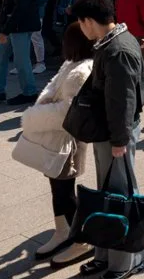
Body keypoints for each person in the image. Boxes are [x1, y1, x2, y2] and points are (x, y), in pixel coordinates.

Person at [66, 0, 144, 279]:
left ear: (90, 21)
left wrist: (119, 140)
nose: (81, 28)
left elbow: (122, 101)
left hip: (117, 133)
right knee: (108, 193)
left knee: (120, 195)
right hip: (111, 130)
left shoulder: (118, 50)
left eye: (81, 22)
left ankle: (125, 261)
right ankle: (104, 254)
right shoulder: (113, 42)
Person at [13, 21, 95, 264]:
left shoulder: (81, 70)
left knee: (64, 191)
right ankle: (63, 231)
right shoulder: (73, 64)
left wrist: (35, 116)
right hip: (59, 138)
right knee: (58, 188)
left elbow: (70, 111)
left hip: (66, 140)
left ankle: (81, 240)